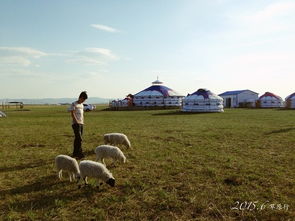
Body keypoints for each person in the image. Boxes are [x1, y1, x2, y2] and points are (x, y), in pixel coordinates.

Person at [69, 91, 88, 159]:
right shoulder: (74, 104)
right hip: (75, 124)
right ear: (80, 97)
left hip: (81, 123)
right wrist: (76, 121)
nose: (83, 101)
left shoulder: (82, 105)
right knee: (79, 138)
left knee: (77, 139)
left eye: (84, 100)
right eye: (83, 99)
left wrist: (82, 122)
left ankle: (75, 153)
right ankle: (80, 153)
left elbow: (81, 115)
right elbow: (72, 113)